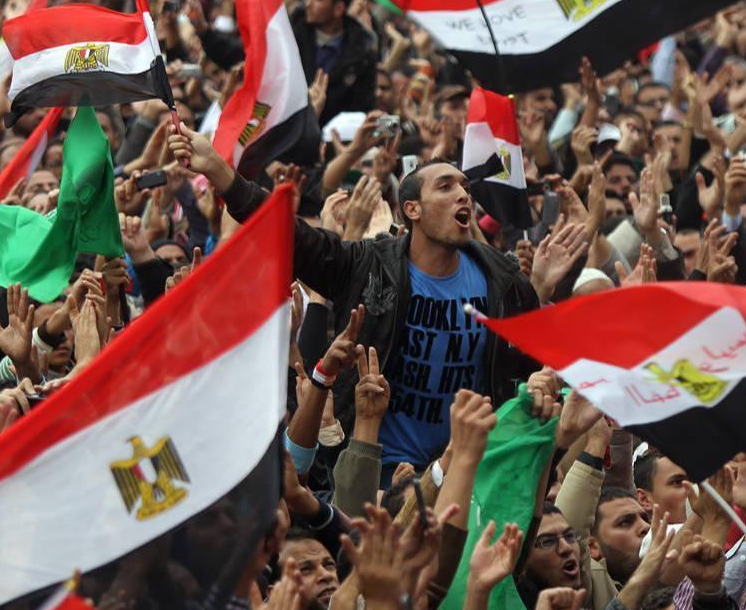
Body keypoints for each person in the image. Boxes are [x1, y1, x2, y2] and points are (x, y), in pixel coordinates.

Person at [169, 128, 556, 481]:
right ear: (412, 210)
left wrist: (542, 381)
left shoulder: (504, 283)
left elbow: (536, 364)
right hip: (380, 475)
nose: (462, 195)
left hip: (470, 471)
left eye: (465, 188)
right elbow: (288, 235)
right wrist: (220, 172)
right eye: (445, 187)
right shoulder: (367, 265)